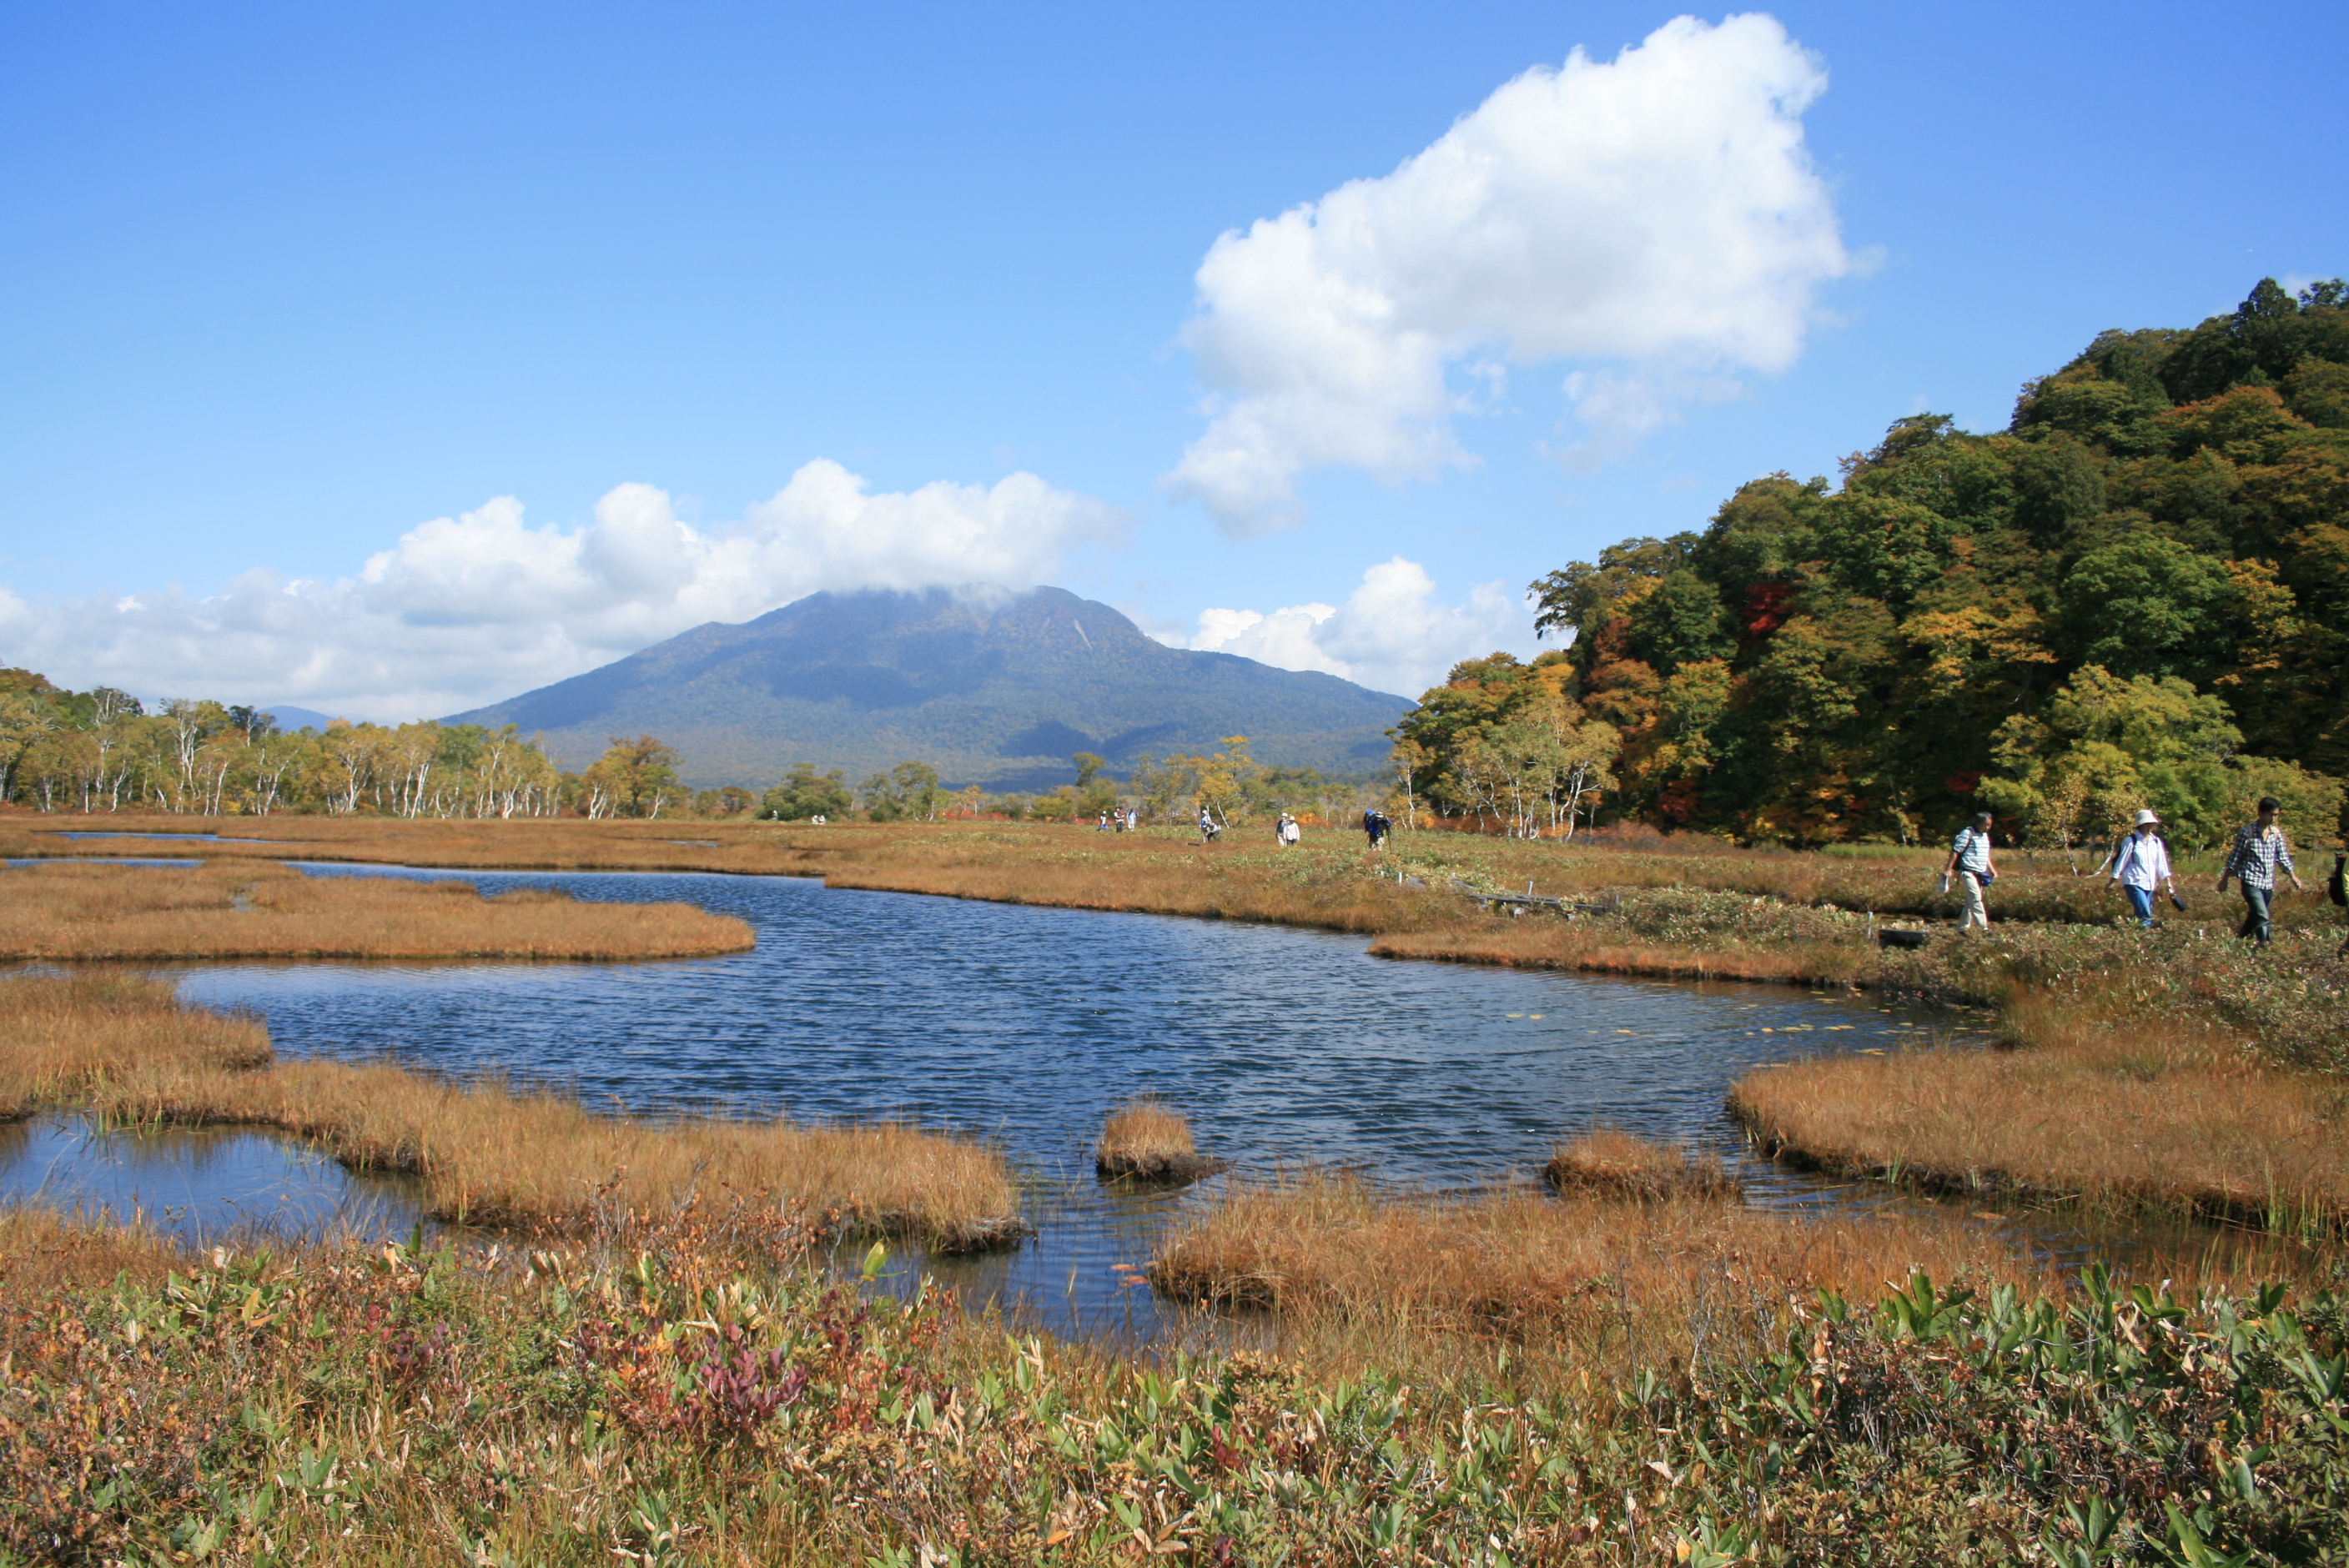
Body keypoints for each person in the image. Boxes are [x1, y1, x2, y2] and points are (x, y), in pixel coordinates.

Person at [2217, 795, 2302, 946]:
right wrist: (2224, 879)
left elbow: (2282, 858)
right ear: (2261, 813)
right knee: (2262, 914)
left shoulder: (2277, 834)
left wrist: (2293, 877)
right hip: (2250, 881)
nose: (2274, 818)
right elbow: (2235, 857)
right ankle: (2266, 944)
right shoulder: (2248, 832)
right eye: (2271, 814)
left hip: (2268, 883)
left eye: (2276, 815)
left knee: (2255, 915)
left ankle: (2239, 941)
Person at [2107, 808, 2178, 929]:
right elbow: (2121, 862)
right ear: (2142, 824)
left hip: (2150, 883)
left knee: (2141, 913)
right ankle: (2145, 935)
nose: (2149, 826)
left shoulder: (2156, 842)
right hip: (2133, 881)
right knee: (2145, 913)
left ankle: (2131, 932)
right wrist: (2112, 881)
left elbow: (2162, 864)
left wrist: (2169, 883)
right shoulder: (2130, 841)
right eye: (2147, 824)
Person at [1940, 811, 1997, 932]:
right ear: (1978, 823)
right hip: (1968, 872)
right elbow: (1955, 851)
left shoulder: (1985, 836)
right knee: (1976, 899)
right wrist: (1948, 870)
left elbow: (1985, 855)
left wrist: (1992, 870)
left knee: (1970, 902)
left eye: (1989, 825)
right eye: (1985, 825)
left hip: (1981, 873)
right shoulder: (1967, 833)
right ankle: (1983, 929)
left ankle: (1961, 928)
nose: (1988, 827)